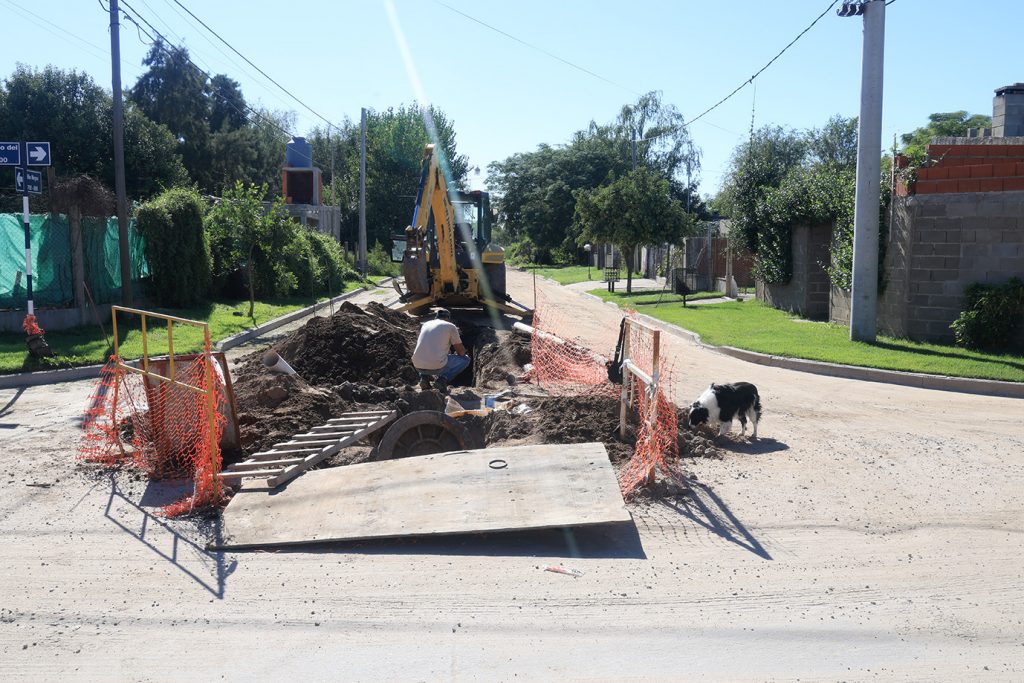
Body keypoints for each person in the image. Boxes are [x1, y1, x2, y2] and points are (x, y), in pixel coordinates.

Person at [412, 308, 469, 392]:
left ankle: (424, 378)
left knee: (425, 353)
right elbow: (461, 352)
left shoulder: (426, 324)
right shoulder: (450, 326)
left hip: (417, 365)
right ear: (447, 318)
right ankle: (442, 380)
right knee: (465, 359)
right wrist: (461, 352)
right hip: (437, 366)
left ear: (436, 317)